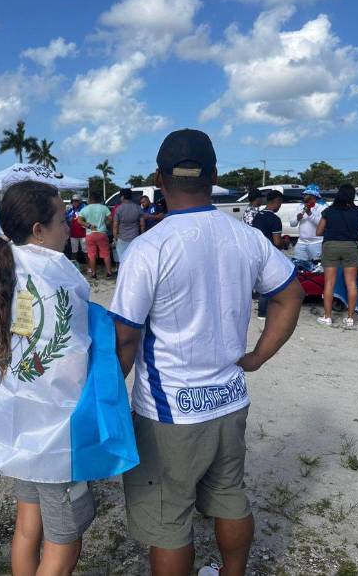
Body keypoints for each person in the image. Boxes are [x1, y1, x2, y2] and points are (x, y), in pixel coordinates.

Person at [109, 129, 303, 576]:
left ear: (159, 178)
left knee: (169, 519)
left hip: (168, 412)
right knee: (231, 497)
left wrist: (108, 398)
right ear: (214, 175)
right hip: (230, 399)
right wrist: (256, 357)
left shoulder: (149, 249)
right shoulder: (247, 237)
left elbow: (125, 338)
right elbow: (289, 296)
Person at [0, 182, 95, 576]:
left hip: (20, 421)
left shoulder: (4, 263)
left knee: (28, 526)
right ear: (38, 229)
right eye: (62, 219)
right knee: (65, 539)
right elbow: (76, 350)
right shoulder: (58, 275)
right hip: (55, 430)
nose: (69, 226)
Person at [315, 184, 358, 327]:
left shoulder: (328, 211)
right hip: (351, 247)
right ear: (352, 196)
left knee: (329, 283)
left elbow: (318, 232)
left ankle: (327, 317)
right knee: (351, 283)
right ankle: (350, 318)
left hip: (330, 246)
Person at [252, 190, 285, 319]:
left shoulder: (257, 216)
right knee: (269, 282)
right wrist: (285, 242)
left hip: (256, 251)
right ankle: (264, 312)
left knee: (260, 281)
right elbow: (277, 242)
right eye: (280, 203)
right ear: (277, 202)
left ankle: (262, 310)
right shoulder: (275, 219)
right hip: (270, 254)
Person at [77, 191, 114, 279]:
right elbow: (110, 218)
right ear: (99, 199)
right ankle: (109, 272)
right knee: (106, 254)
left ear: (90, 199)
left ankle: (94, 273)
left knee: (92, 255)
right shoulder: (104, 208)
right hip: (102, 233)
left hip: (90, 234)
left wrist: (88, 225)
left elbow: (79, 220)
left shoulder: (85, 209)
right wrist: (106, 224)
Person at [289, 185, 326, 261]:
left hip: (317, 243)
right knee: (300, 266)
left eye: (307, 195)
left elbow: (321, 224)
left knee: (317, 269)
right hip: (301, 242)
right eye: (304, 194)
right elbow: (292, 224)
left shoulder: (322, 207)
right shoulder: (301, 206)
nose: (305, 196)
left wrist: (310, 213)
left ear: (314, 196)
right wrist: (297, 218)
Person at [113, 188, 145, 262]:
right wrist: (142, 235)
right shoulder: (138, 207)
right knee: (134, 259)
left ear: (122, 197)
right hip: (135, 237)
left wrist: (115, 238)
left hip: (122, 238)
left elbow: (115, 226)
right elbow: (142, 225)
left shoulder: (119, 209)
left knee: (122, 260)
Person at [65, 194, 87, 262]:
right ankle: (75, 266)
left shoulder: (84, 209)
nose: (74, 202)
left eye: (76, 201)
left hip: (84, 234)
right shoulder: (70, 210)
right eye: (73, 201)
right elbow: (66, 219)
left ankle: (90, 267)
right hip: (73, 234)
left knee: (86, 252)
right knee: (74, 252)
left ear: (80, 201)